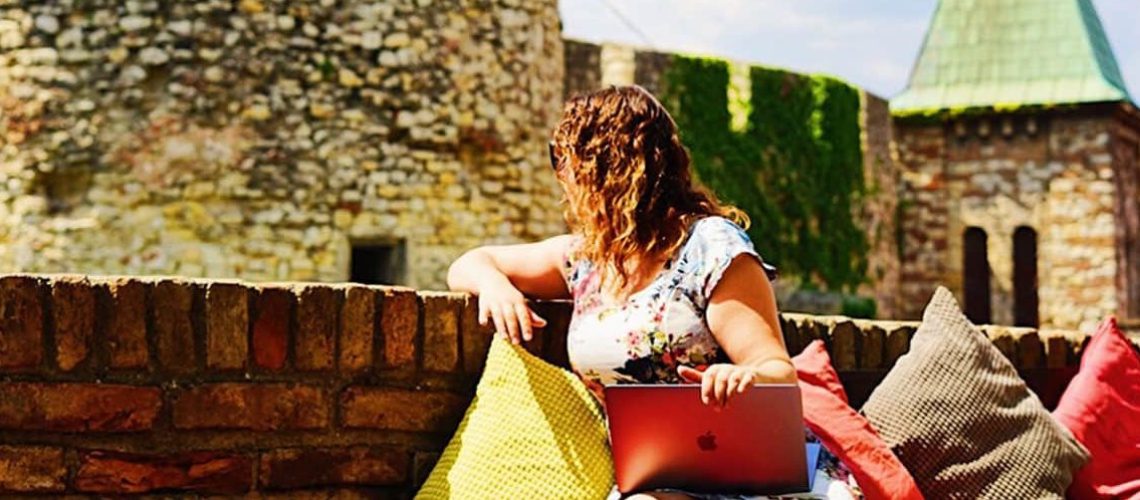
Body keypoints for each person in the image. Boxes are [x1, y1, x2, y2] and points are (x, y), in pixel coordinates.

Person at [447, 85, 860, 499]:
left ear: (605, 163)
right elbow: (469, 263)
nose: (560, 175)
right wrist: (494, 288)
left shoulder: (710, 247)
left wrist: (743, 376)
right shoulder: (586, 258)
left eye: (561, 157)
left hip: (751, 478)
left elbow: (777, 370)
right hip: (657, 481)